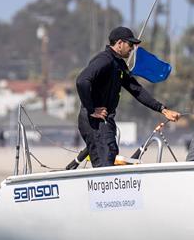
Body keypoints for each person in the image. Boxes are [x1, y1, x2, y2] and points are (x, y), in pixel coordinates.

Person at [75, 26, 180, 167]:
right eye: (130, 44)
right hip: (94, 121)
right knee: (105, 161)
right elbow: (82, 81)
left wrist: (163, 109)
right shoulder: (104, 60)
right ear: (119, 43)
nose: (132, 48)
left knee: (111, 153)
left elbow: (137, 90)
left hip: (105, 120)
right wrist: (91, 109)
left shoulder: (118, 65)